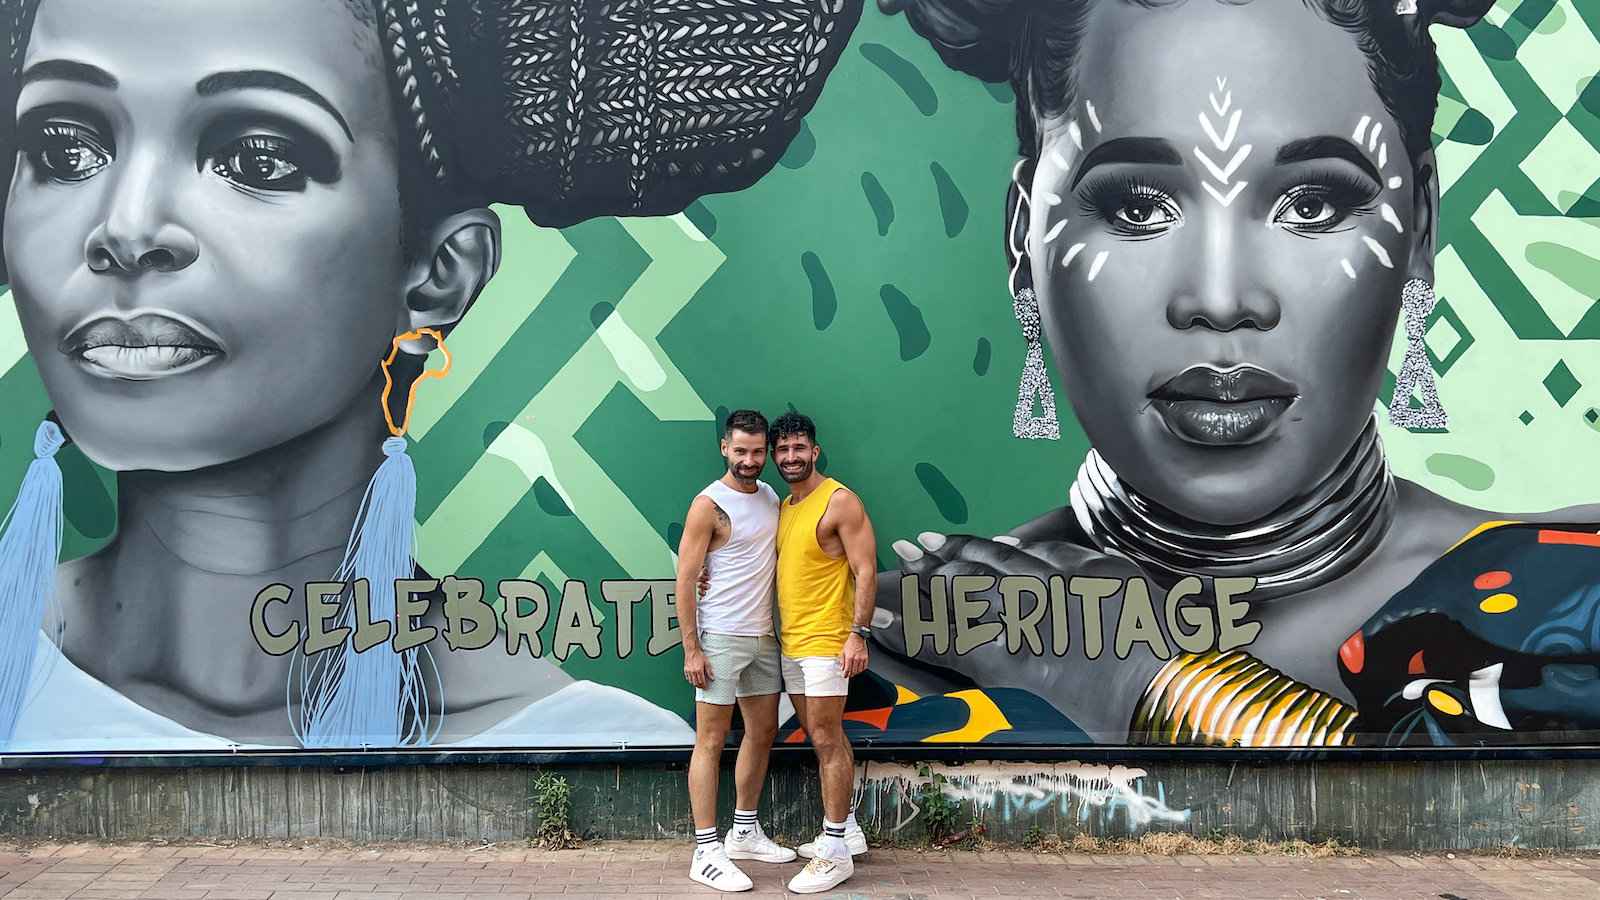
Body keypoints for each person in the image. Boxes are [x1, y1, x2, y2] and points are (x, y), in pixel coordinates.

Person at [0, 0, 861, 751]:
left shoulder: (588, 745)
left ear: (438, 274)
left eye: (259, 159)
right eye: (66, 148)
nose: (124, 227)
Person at [861, 0, 1600, 746]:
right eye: (1138, 206)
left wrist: (1156, 687)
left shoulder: (1572, 601)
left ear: (1421, 229)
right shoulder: (914, 655)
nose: (1220, 300)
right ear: (1024, 238)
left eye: (1311, 205)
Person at [672, 409, 795, 892]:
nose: (750, 460)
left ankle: (743, 831)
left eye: (758, 452)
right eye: (740, 451)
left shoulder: (769, 496)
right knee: (710, 741)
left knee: (762, 732)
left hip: (764, 638)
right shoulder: (708, 504)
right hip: (719, 638)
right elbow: (685, 577)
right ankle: (706, 850)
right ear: (724, 447)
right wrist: (692, 649)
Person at [770, 411, 878, 893]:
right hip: (791, 643)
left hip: (827, 644)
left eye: (799, 448)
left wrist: (858, 633)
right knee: (820, 734)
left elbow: (867, 569)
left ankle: (834, 851)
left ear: (815, 451)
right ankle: (848, 830)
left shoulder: (839, 501)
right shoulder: (786, 506)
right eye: (783, 450)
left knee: (828, 738)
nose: (791, 457)